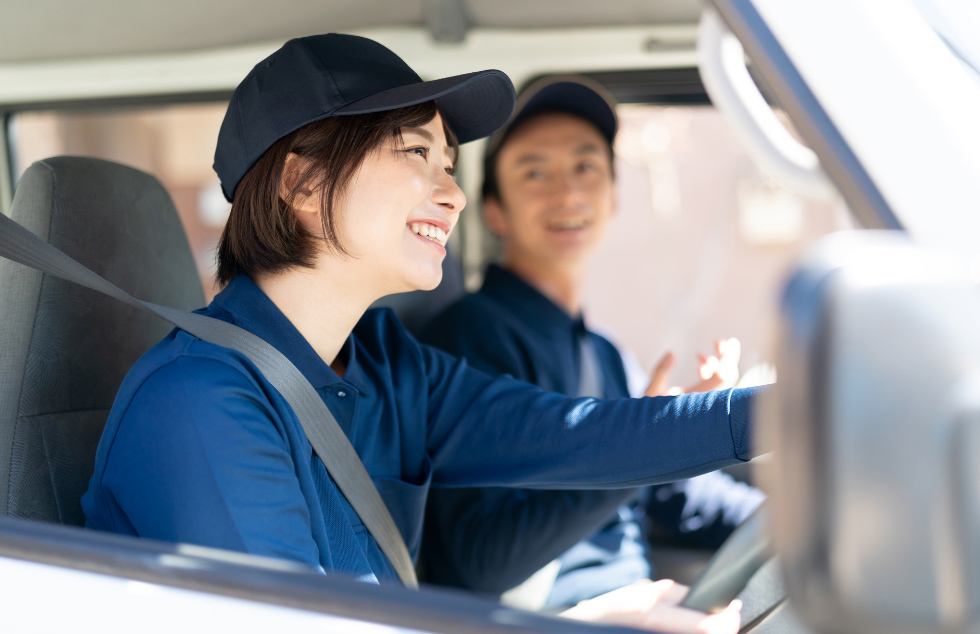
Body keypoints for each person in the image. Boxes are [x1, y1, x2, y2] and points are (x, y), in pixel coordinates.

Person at [80, 34, 756, 632]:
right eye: (416, 151)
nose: (454, 194)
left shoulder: (390, 363)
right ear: (305, 180)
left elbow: (582, 434)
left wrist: (787, 412)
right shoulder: (197, 402)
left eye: (451, 163)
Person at [419, 76, 765, 608]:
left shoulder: (604, 352)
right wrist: (639, 448)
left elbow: (681, 498)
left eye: (587, 167)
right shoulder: (468, 342)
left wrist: (802, 525)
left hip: (647, 603)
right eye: (535, 172)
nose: (569, 193)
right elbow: (481, 561)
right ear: (493, 210)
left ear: (612, 195)